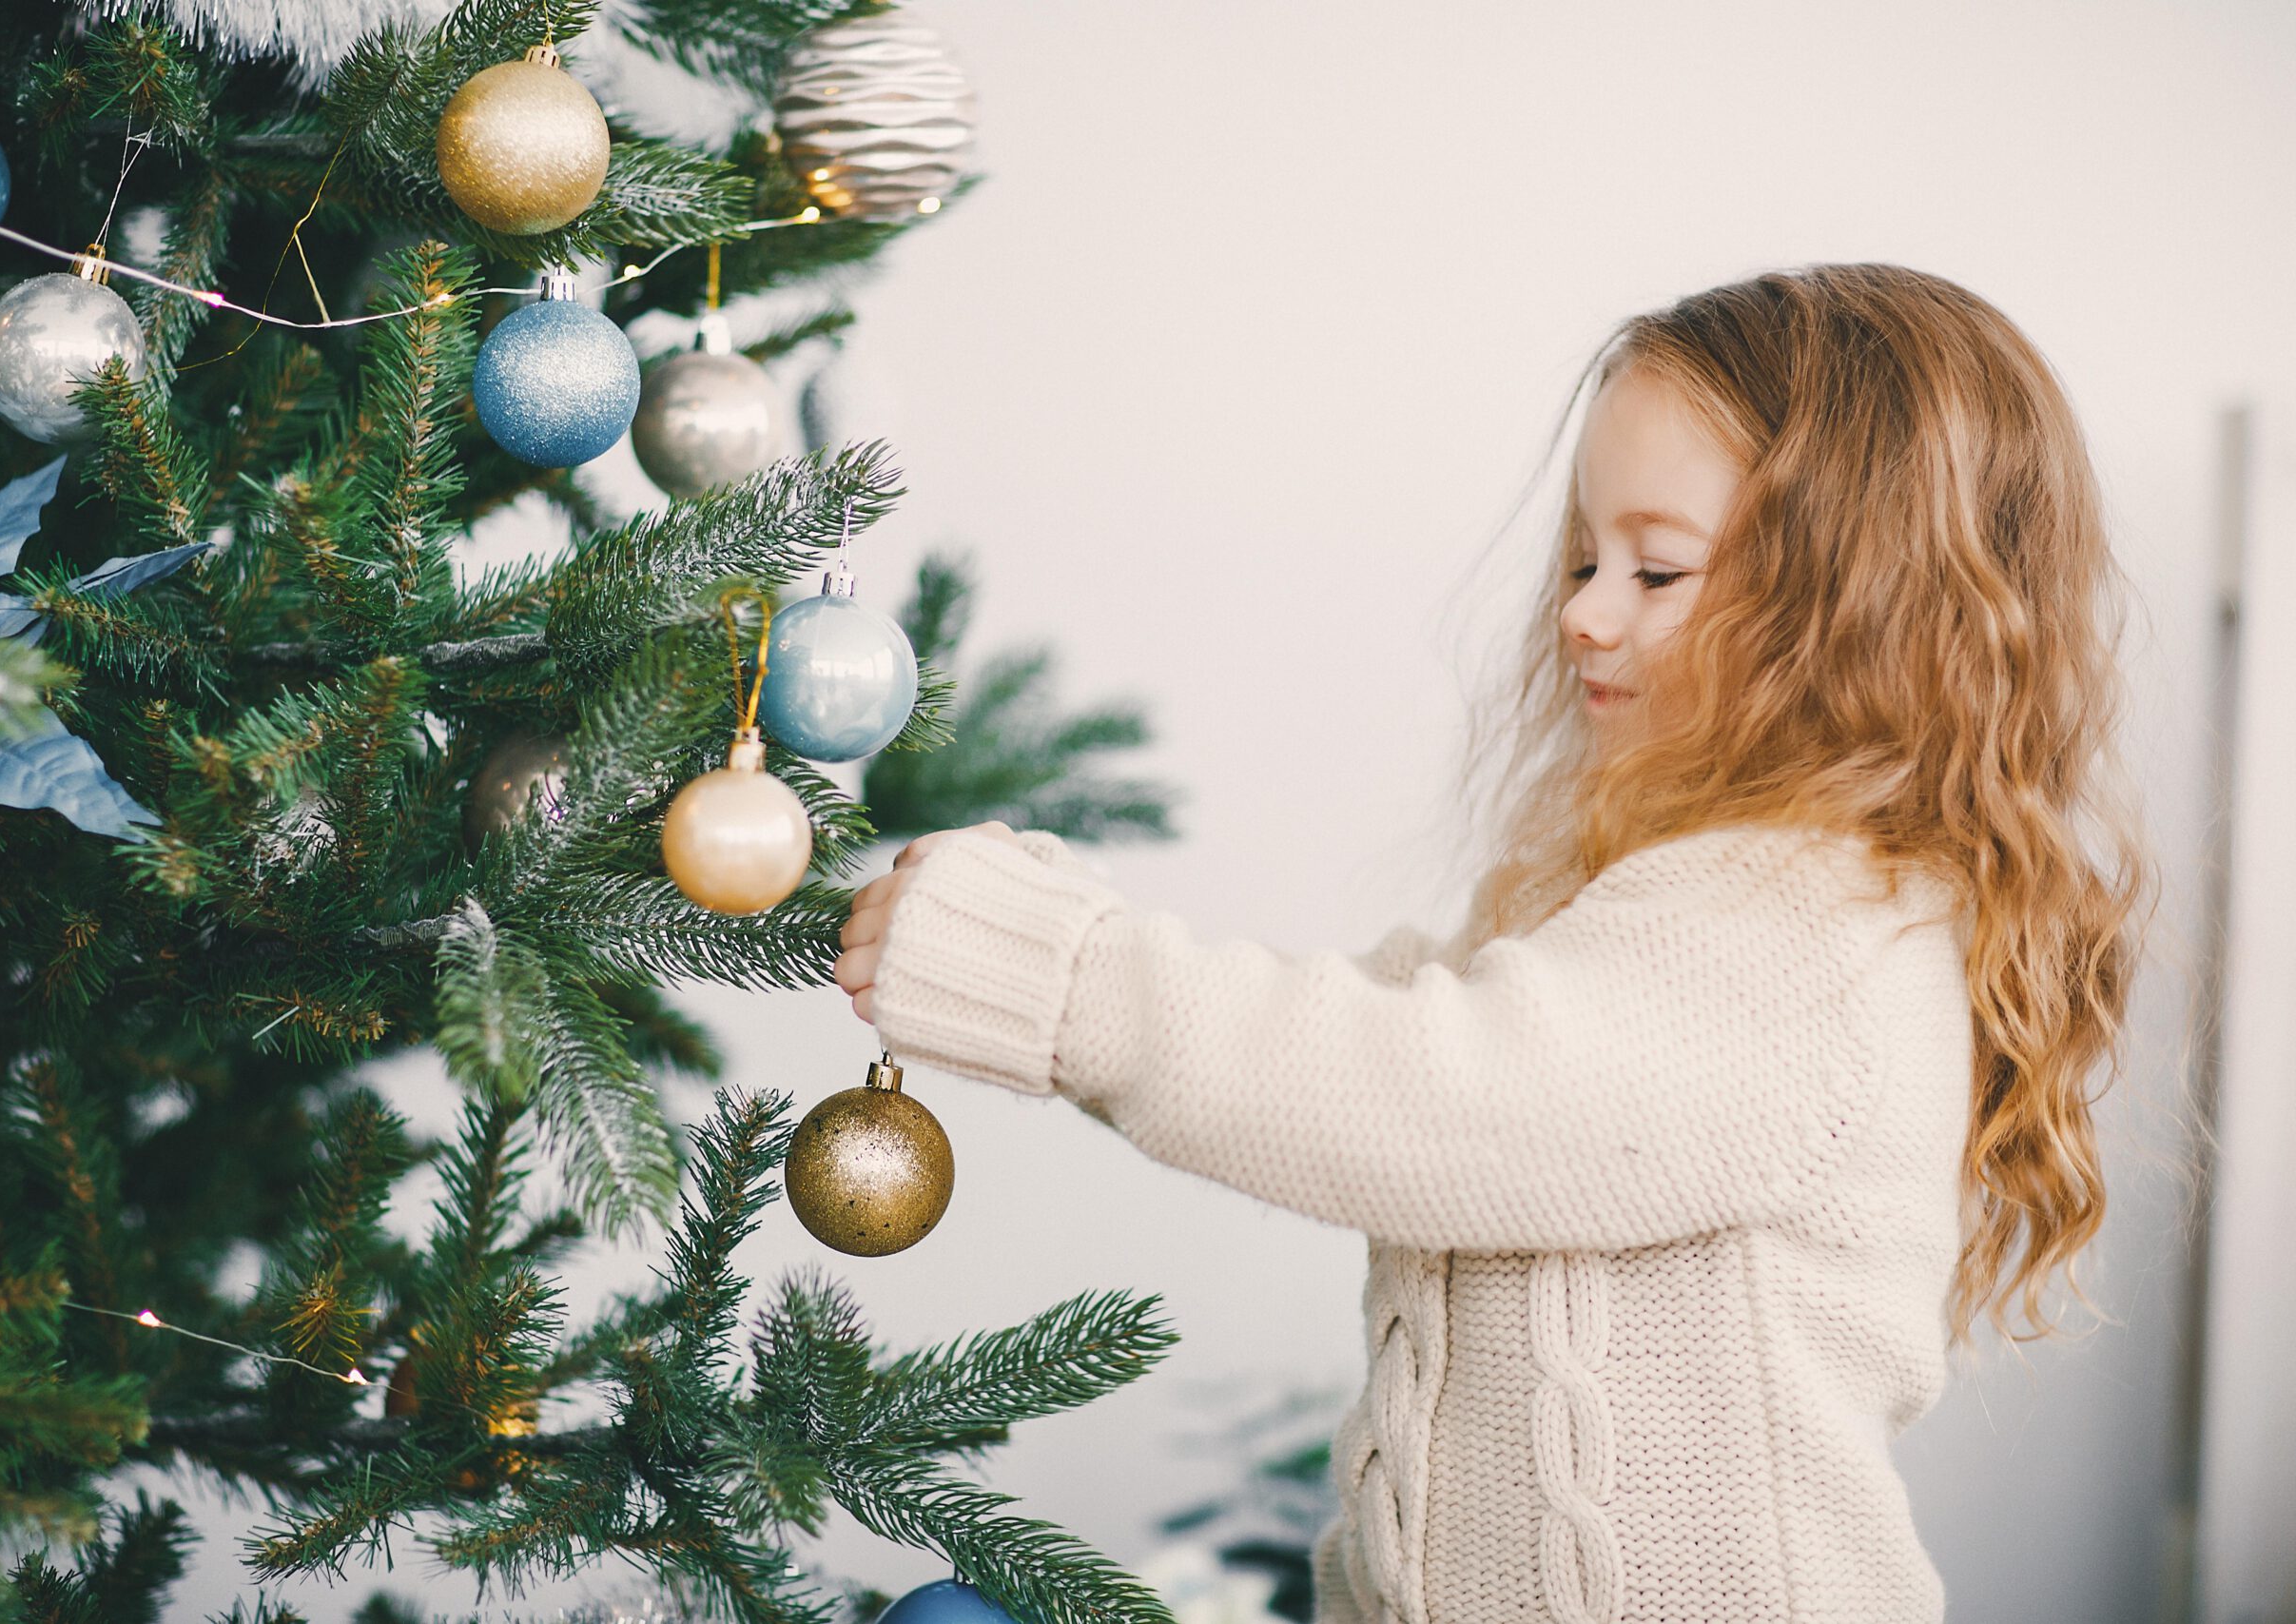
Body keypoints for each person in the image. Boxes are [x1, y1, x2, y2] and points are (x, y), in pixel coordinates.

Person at [830, 263, 2155, 1624]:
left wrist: (1067, 975)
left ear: (1862, 617)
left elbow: (1413, 1090)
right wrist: (1042, 950)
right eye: (1587, 558)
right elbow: (1380, 1032)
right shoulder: (1664, 905)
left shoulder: (1802, 941)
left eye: (1657, 567)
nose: (1583, 609)